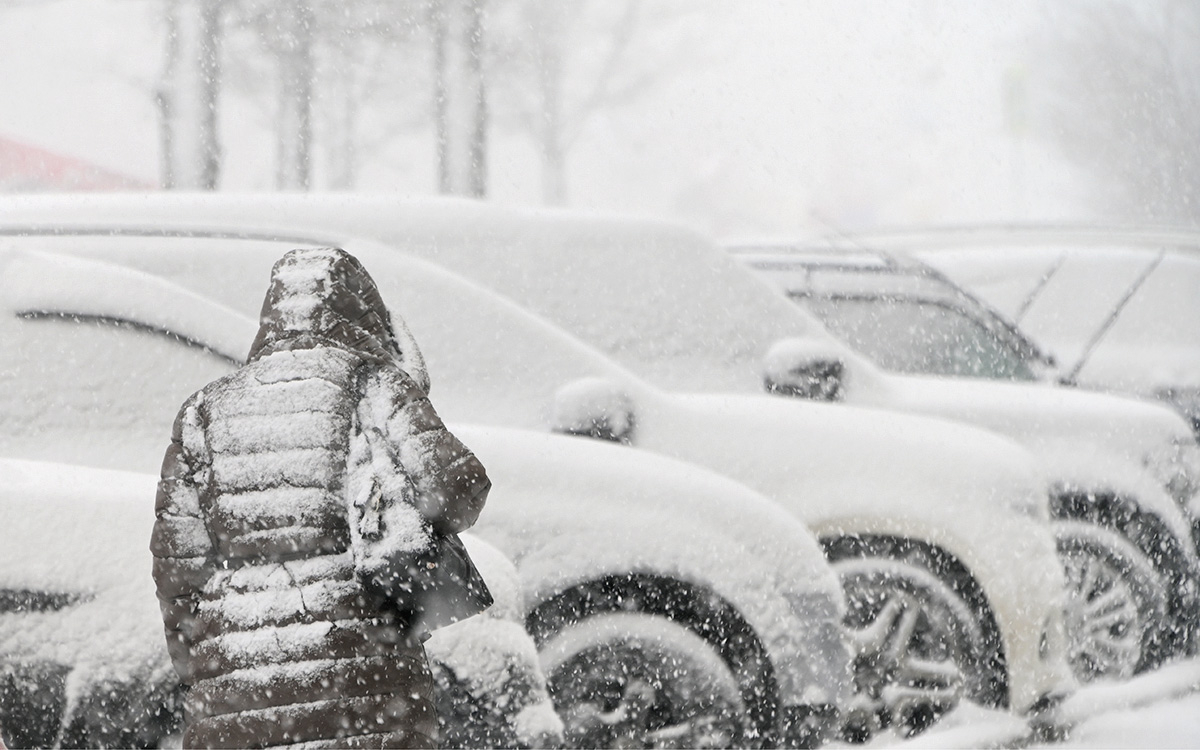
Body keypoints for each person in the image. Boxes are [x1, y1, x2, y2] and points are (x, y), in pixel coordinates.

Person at [151, 247, 492, 749]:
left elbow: (178, 573)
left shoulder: (203, 410)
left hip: (238, 682)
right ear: (365, 315)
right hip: (364, 677)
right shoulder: (373, 384)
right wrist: (412, 389)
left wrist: (204, 673)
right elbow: (459, 488)